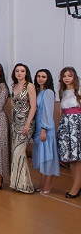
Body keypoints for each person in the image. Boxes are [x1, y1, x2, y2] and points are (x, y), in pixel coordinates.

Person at [9, 63, 36, 194]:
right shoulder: (13, 86)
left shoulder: (29, 86)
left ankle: (25, 185)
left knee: (19, 152)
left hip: (26, 123)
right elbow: (13, 105)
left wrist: (27, 124)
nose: (19, 73)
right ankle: (18, 183)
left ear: (26, 73)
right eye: (17, 71)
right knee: (15, 153)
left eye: (22, 71)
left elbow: (33, 106)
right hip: (15, 123)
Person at [33, 69, 58, 194]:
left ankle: (48, 185)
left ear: (48, 79)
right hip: (38, 126)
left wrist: (44, 129)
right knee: (42, 156)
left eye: (43, 76)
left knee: (48, 157)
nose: (41, 78)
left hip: (46, 127)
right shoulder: (39, 92)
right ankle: (42, 184)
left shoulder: (48, 92)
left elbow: (48, 112)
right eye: (39, 76)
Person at [57, 67, 81, 198]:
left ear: (74, 77)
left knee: (78, 157)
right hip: (66, 125)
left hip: (77, 125)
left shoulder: (79, 91)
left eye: (69, 76)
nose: (67, 78)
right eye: (64, 76)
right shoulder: (63, 92)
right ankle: (76, 185)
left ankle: (75, 188)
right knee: (71, 157)